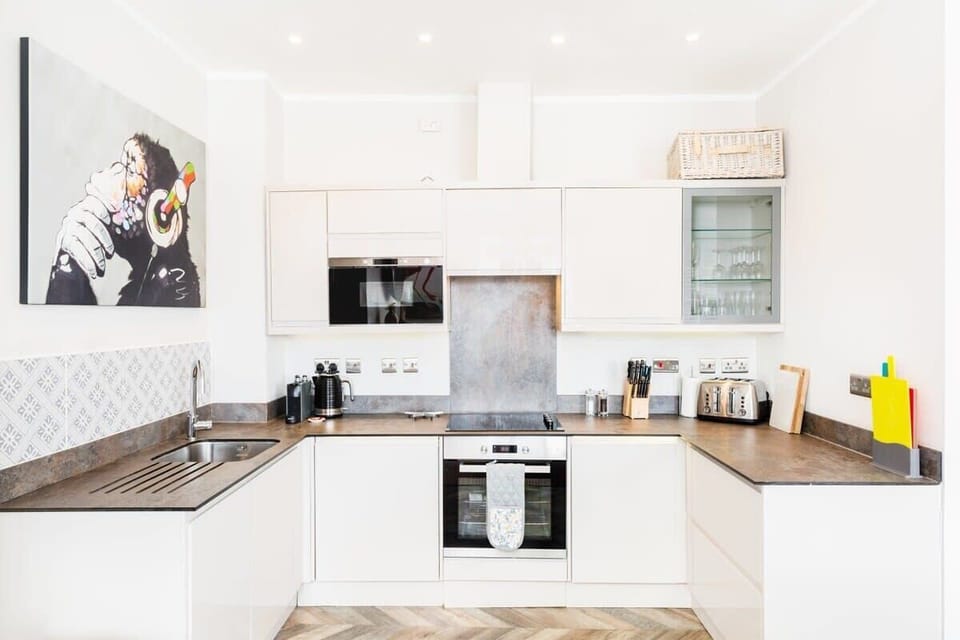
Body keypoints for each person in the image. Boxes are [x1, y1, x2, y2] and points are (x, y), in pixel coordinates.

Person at [45, 133, 201, 306]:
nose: (111, 174)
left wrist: (66, 274)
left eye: (130, 169)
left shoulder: (173, 283)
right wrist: (67, 269)